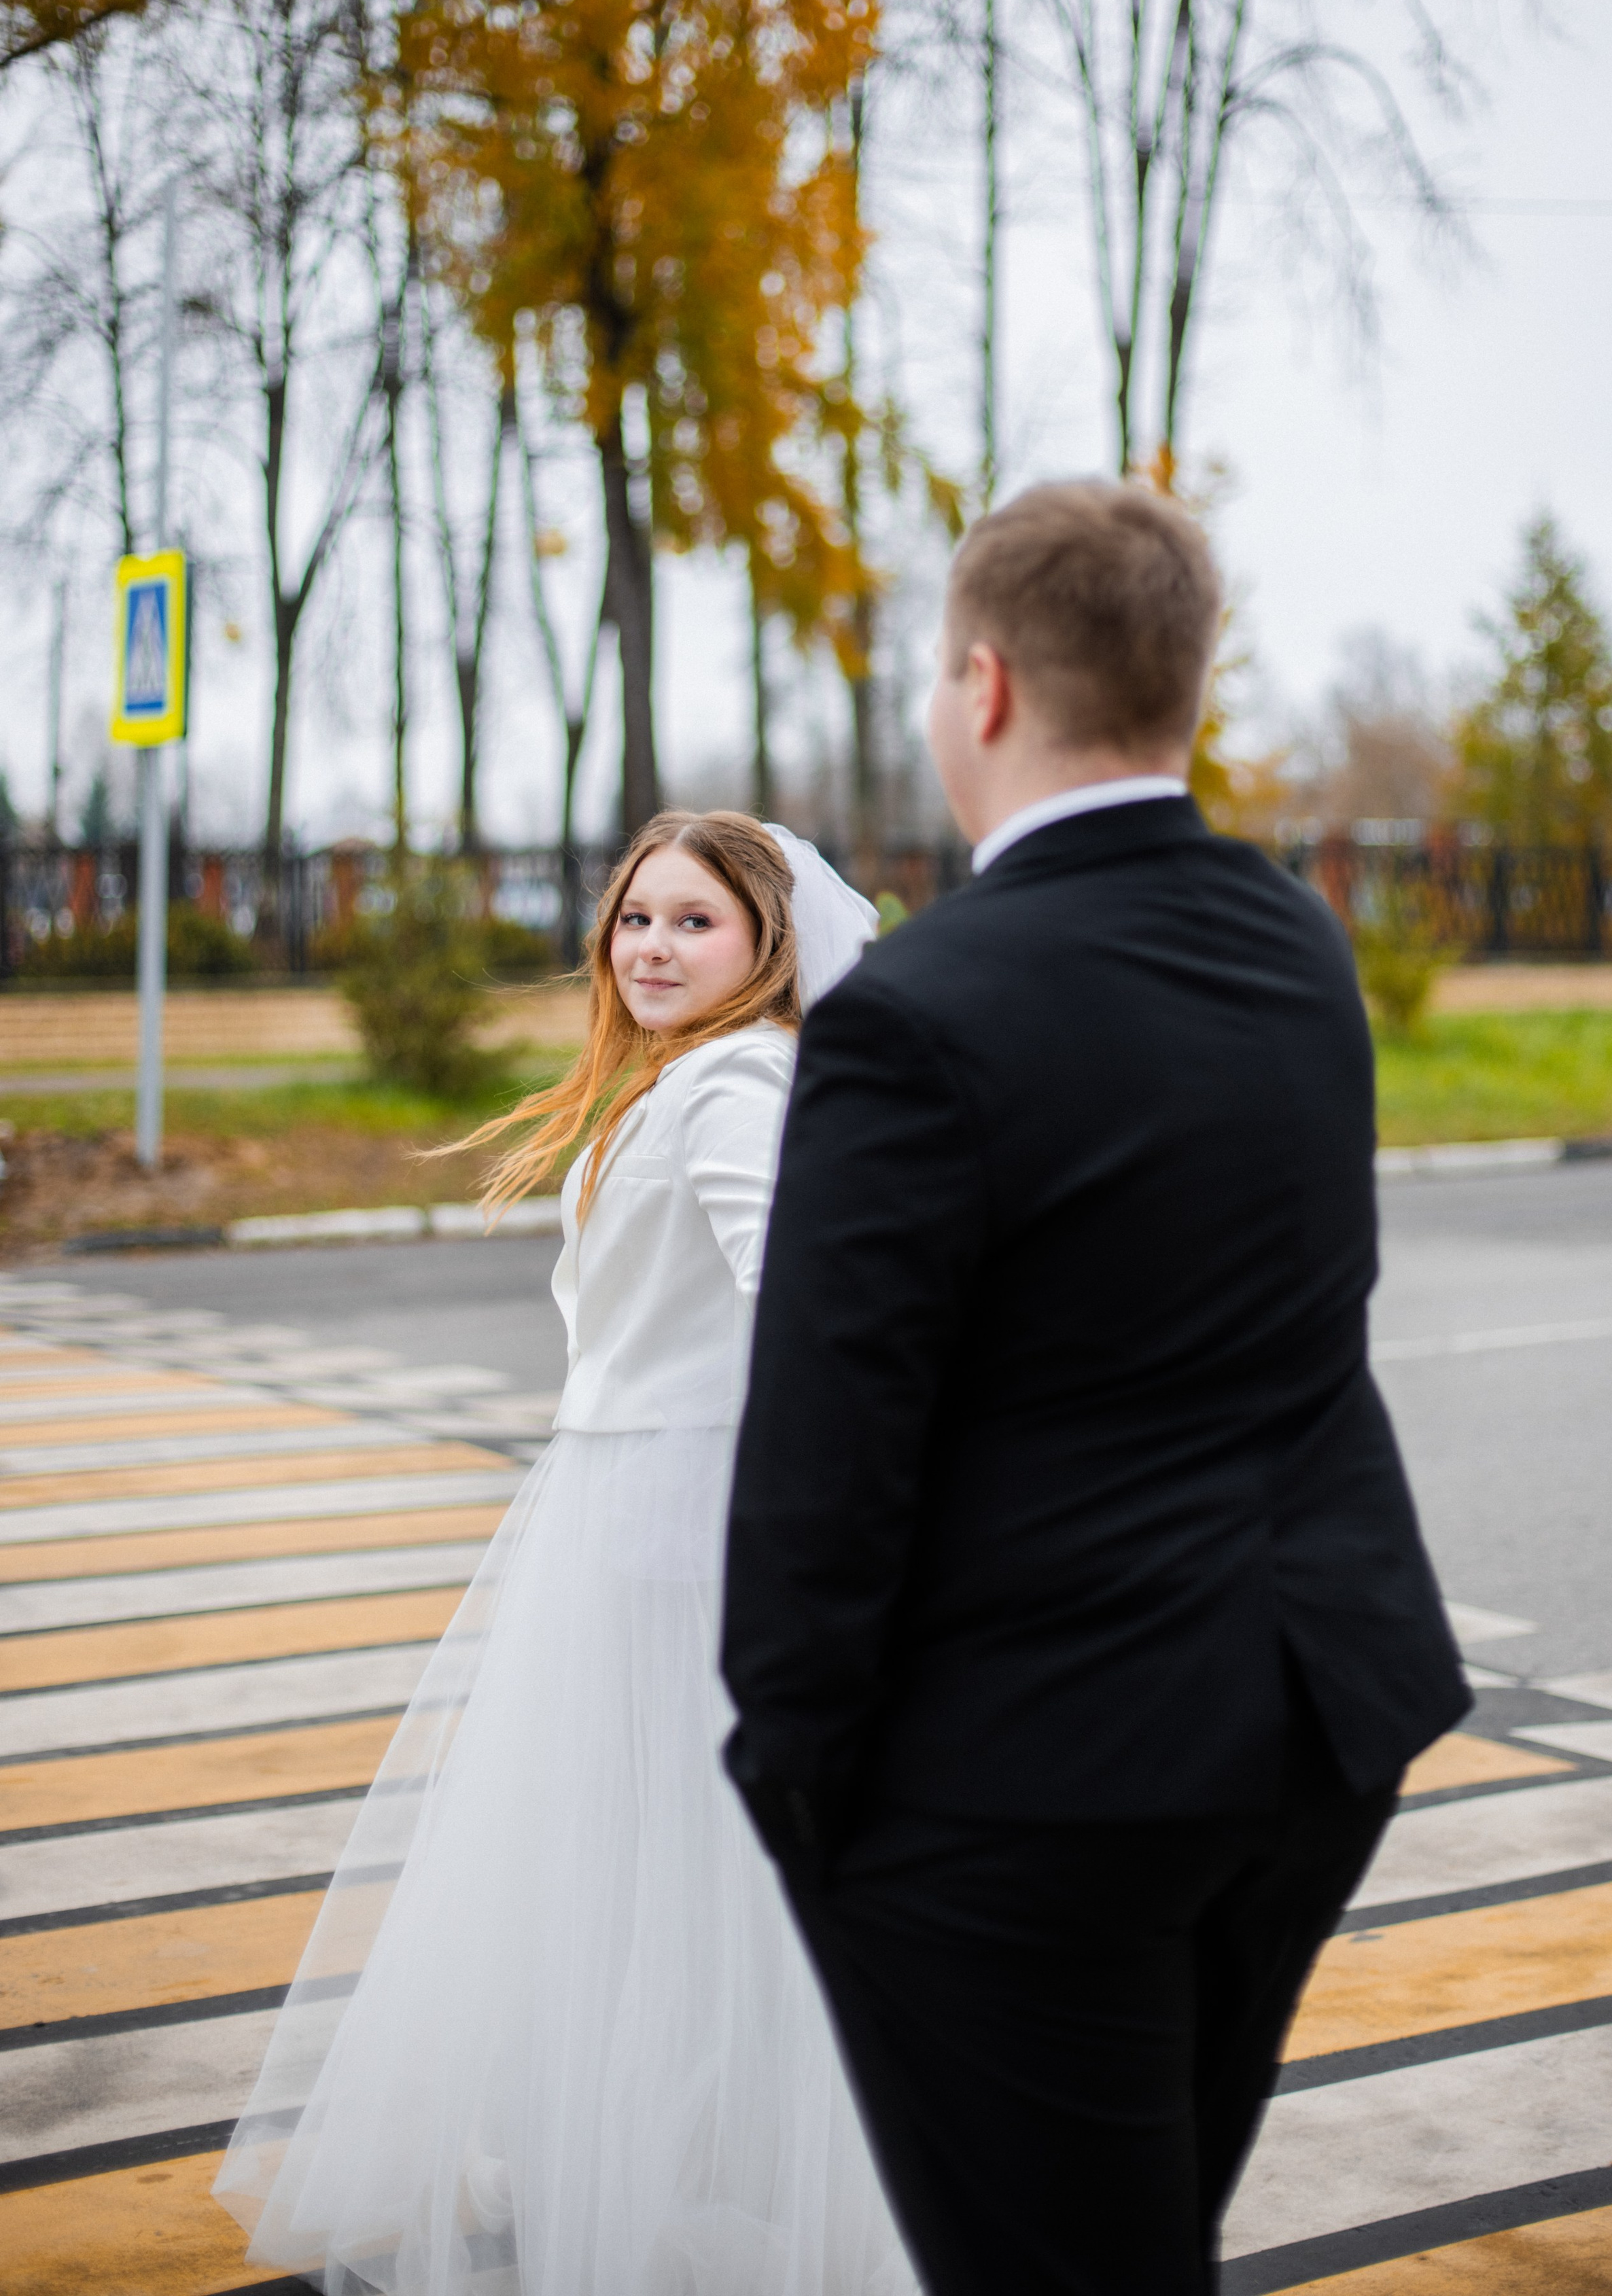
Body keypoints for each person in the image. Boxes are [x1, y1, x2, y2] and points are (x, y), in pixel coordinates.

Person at [721, 480, 1471, 2296]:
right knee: (1127, 2237)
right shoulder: (1298, 946)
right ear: (1184, 693)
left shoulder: (914, 1009)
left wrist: (795, 1778)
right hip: (1305, 1732)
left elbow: (829, 1461)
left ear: (982, 686)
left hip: (1034, 1790)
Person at [215, 811, 915, 2296]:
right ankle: (663, 2168)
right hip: (631, 1506)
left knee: (669, 1864)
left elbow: (804, 1294)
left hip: (671, 1521)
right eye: (637, 917)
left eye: (695, 922)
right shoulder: (688, 1075)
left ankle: (691, 2186)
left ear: (768, 945)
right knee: (648, 1866)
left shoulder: (734, 1079)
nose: (653, 947)